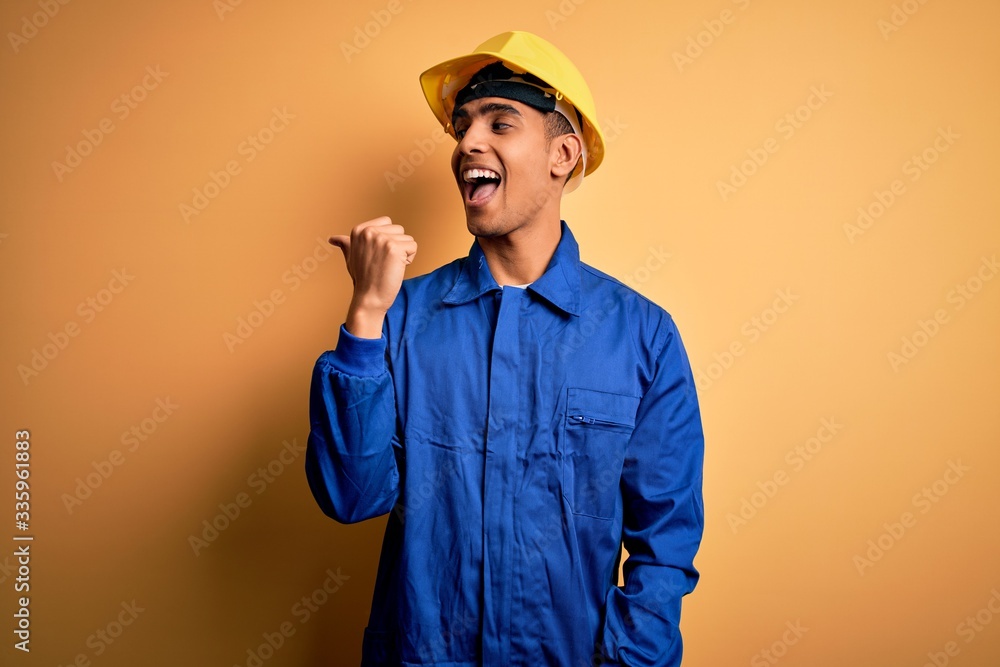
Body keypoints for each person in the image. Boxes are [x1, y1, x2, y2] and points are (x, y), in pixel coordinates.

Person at [305, 30, 705, 667]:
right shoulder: (401, 316)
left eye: (501, 122)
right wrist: (365, 313)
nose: (467, 143)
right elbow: (352, 496)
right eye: (462, 127)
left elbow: (665, 543)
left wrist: (630, 660)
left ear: (562, 154)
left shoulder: (642, 336)